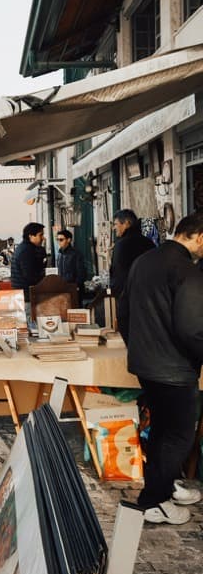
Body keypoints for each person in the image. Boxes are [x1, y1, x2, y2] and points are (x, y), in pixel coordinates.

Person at [117, 211, 203, 525]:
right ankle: (154, 500)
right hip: (174, 368)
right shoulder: (186, 271)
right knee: (178, 435)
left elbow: (122, 313)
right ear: (199, 238)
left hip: (146, 364)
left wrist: (137, 348)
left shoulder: (144, 260)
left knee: (162, 431)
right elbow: (192, 328)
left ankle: (163, 486)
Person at [110, 208, 155, 299]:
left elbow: (119, 276)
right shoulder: (149, 243)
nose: (114, 228)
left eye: (115, 224)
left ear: (126, 223)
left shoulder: (121, 244)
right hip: (148, 296)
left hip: (129, 297)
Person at [10, 222, 46, 303]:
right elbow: (30, 276)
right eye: (40, 235)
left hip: (22, 294)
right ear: (30, 236)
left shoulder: (23, 247)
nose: (43, 238)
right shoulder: (27, 250)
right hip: (27, 296)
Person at [56, 229, 86, 295]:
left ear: (68, 240)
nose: (58, 242)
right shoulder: (59, 254)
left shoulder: (76, 254)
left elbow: (81, 273)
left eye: (61, 240)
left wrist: (76, 286)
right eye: (57, 240)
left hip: (74, 288)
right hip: (63, 288)